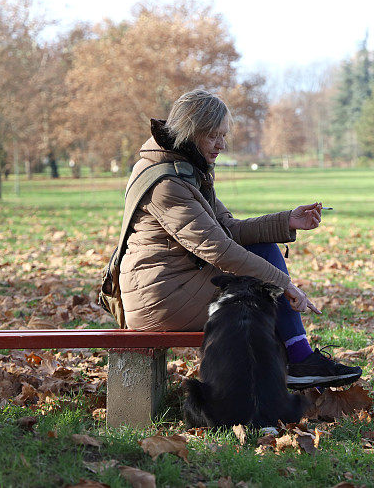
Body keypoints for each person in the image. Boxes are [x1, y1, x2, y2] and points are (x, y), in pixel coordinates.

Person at [119, 89, 361, 389]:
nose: (221, 145)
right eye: (212, 136)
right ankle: (292, 363)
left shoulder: (187, 169)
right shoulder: (167, 182)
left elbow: (227, 229)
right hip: (160, 298)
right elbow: (218, 249)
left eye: (223, 136)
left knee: (262, 250)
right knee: (257, 288)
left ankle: (298, 360)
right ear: (189, 132)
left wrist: (286, 220)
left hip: (177, 283)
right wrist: (283, 284)